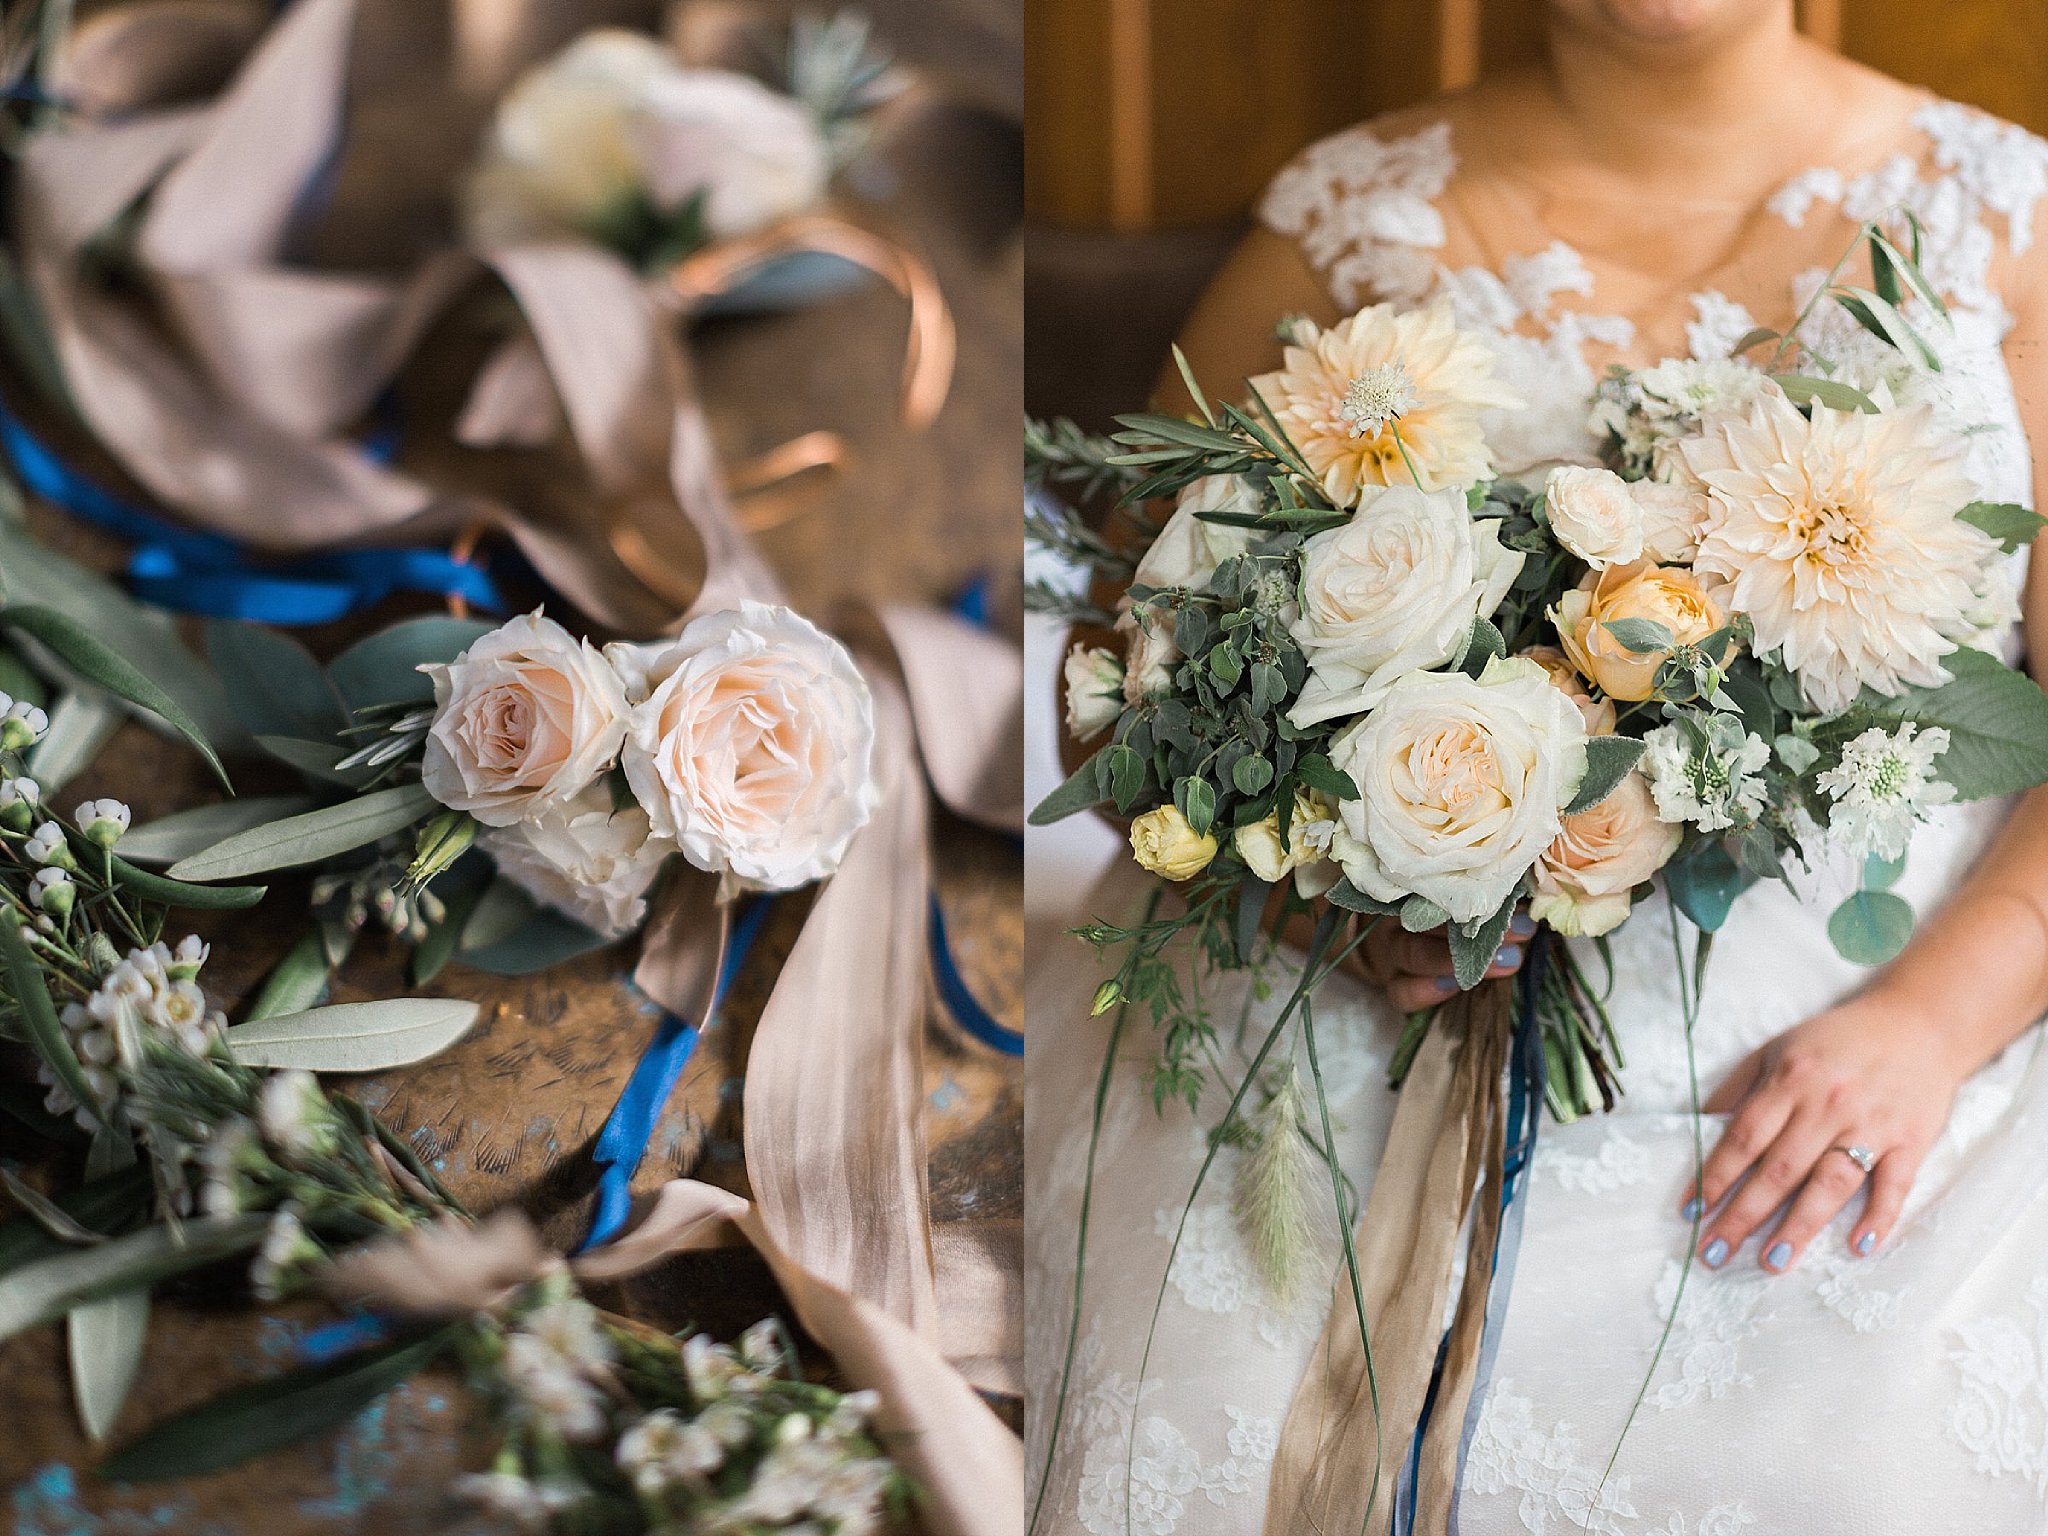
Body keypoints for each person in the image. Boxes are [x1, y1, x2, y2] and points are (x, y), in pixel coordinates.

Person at [1025, 2, 2048, 1530]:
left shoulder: (2007, 218)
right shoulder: (1345, 219)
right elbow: (1120, 672)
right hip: (1360, 1024)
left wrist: (1923, 1024)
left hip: (1893, 1038)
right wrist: (1325, 894)